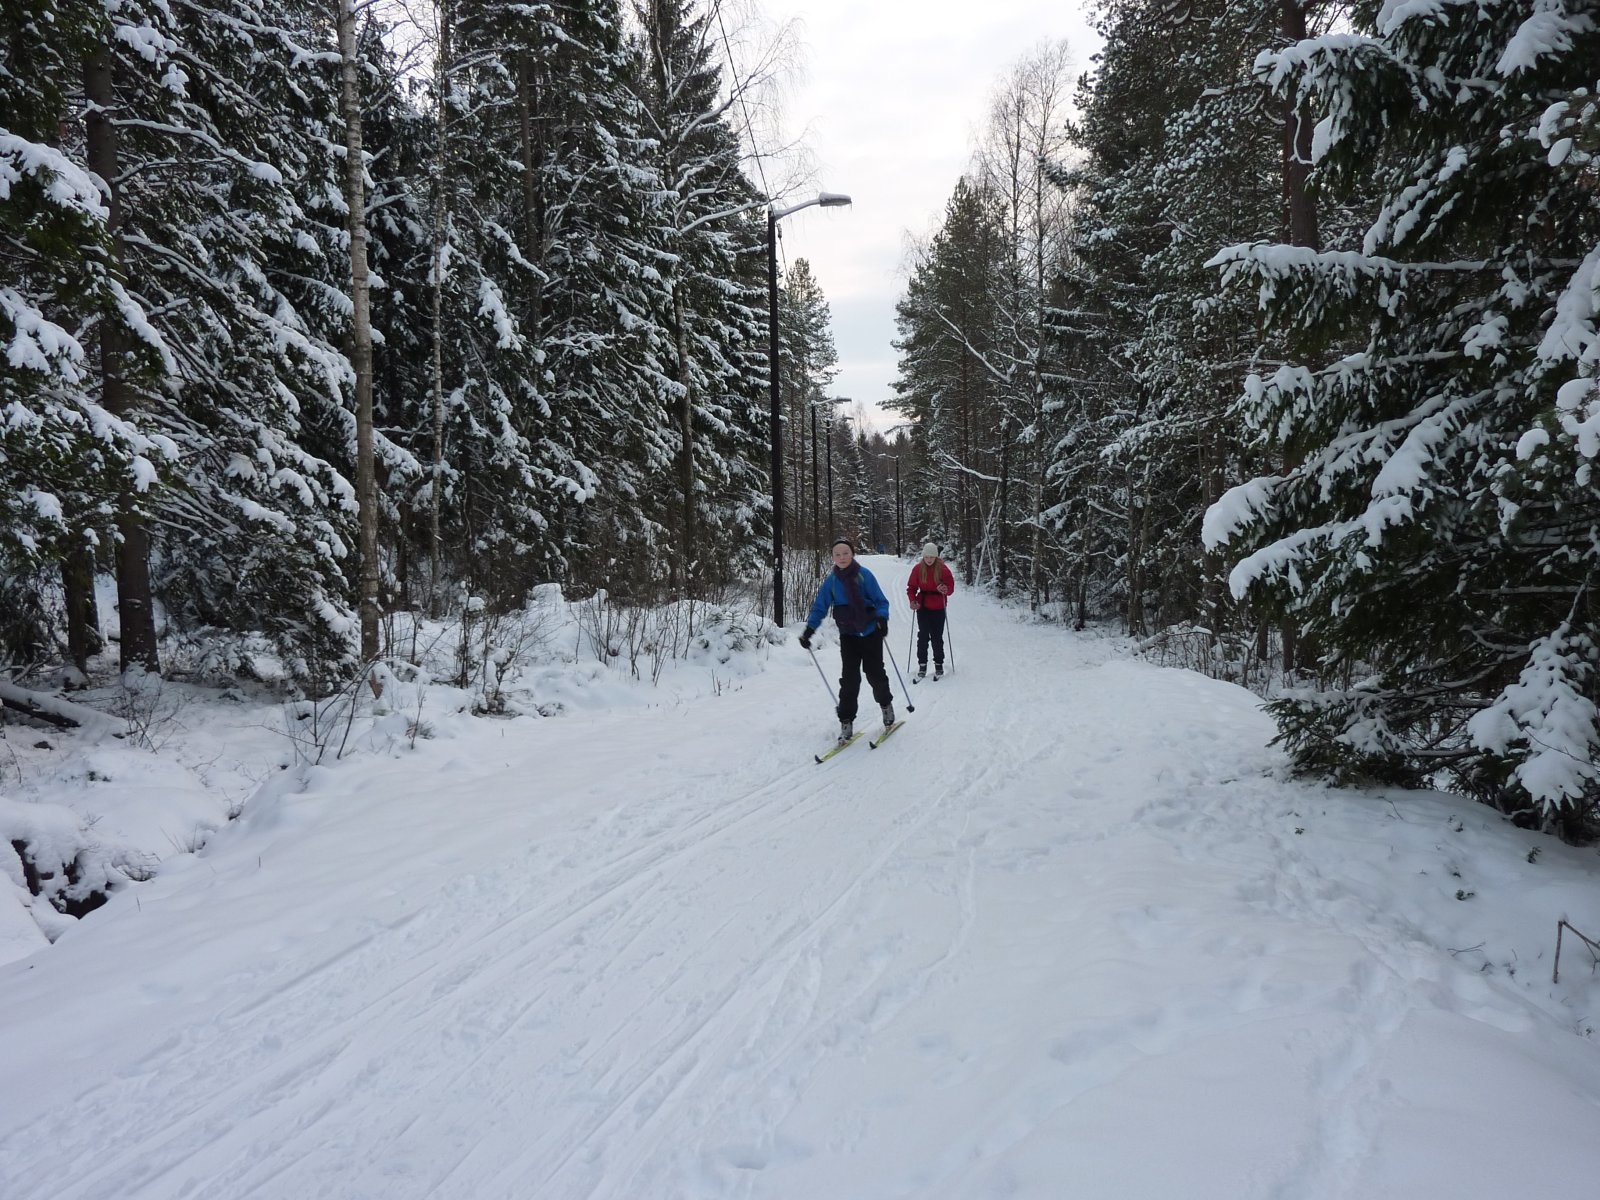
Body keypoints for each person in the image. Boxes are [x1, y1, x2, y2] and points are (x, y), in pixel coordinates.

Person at [799, 539, 895, 742]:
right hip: (848, 635)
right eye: (837, 554)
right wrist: (809, 630)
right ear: (832, 557)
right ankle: (846, 721)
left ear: (852, 554)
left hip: (870, 633)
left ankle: (886, 705)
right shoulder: (832, 581)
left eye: (845, 553)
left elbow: (880, 601)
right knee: (849, 680)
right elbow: (820, 607)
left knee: (875, 675)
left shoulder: (864, 575)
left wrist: (882, 618)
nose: (842, 557)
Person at [906, 542, 954, 680]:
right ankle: (922, 664)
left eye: (931, 557)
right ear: (923, 556)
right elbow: (911, 587)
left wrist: (944, 589)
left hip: (939, 606)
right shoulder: (917, 569)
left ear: (936, 557)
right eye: (926, 557)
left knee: (937, 637)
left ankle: (939, 664)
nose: (929, 559)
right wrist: (913, 600)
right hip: (923, 606)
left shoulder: (943, 569)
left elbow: (950, 588)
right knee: (923, 636)